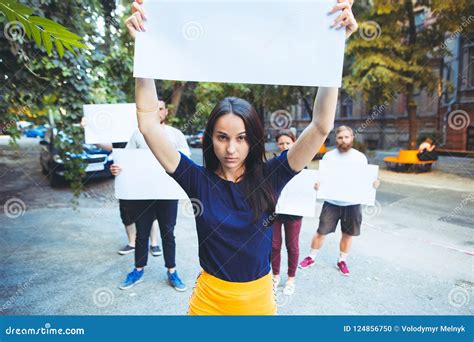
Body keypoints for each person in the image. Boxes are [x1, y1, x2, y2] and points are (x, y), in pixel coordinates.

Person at [126, 0, 358, 314]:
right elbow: (149, 124)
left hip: (258, 304)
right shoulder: (196, 179)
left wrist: (334, 49)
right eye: (222, 138)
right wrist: (146, 51)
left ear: (254, 140)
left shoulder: (272, 175)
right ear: (210, 139)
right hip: (208, 304)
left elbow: (320, 126)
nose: (231, 149)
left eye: (242, 138)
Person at [114, 100, 192, 292]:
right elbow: (126, 161)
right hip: (143, 194)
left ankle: (172, 271)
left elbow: (186, 160)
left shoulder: (175, 134)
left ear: (165, 112)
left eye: (159, 108)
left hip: (167, 193)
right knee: (142, 233)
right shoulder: (137, 134)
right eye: (151, 108)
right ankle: (138, 270)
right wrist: (117, 169)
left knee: (168, 233)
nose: (156, 111)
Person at [299, 126, 380, 276]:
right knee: (321, 232)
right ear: (336, 139)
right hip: (331, 202)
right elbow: (322, 178)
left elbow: (365, 178)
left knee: (347, 234)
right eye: (340, 137)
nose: (343, 140)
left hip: (353, 203)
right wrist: (318, 185)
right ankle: (311, 257)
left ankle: (342, 260)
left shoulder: (360, 157)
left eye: (346, 137)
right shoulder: (329, 157)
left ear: (352, 138)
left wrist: (374, 183)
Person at [271, 130, 303, 296]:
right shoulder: (273, 162)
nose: (284, 146)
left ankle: (291, 278)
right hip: (275, 211)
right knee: (274, 245)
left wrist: (315, 187)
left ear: (294, 143)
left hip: (294, 211)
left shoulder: (302, 162)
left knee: (292, 246)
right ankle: (275, 276)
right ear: (277, 144)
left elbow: (306, 185)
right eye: (281, 143)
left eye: (288, 143)